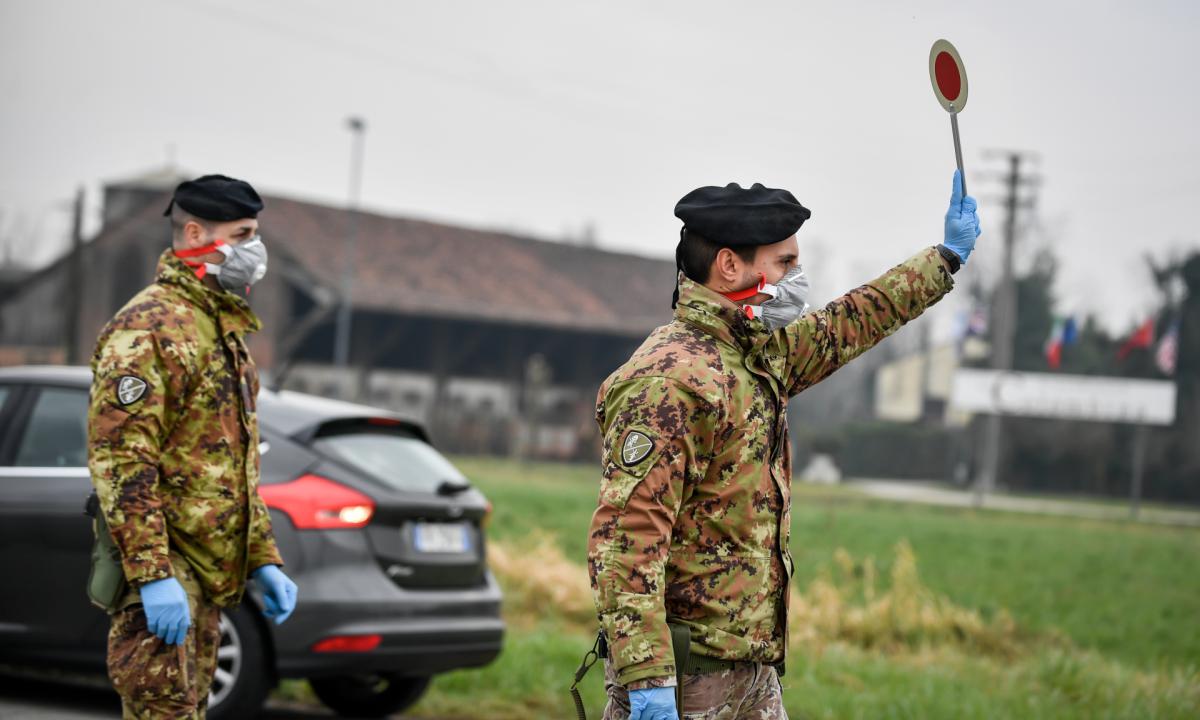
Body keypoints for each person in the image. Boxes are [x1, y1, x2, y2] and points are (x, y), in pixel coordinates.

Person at [587, 171, 980, 720]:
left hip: (754, 673)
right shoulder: (670, 381)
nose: (797, 279)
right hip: (685, 681)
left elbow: (852, 321)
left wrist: (944, 258)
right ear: (730, 266)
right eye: (785, 264)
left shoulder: (757, 355)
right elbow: (626, 542)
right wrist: (650, 679)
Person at [87, 174, 298, 718]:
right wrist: (154, 575)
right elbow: (122, 459)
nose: (255, 250)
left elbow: (231, 466)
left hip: (206, 579)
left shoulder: (219, 329)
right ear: (197, 232)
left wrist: (261, 558)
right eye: (244, 233)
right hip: (163, 577)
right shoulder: (150, 327)